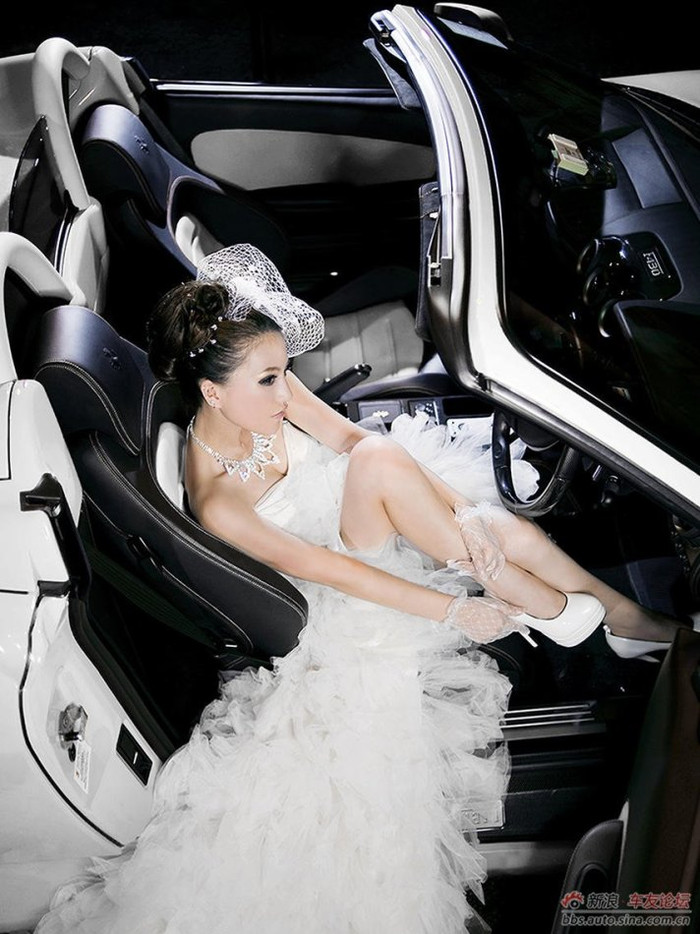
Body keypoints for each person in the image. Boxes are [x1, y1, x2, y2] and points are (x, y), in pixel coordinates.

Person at [34, 245, 686, 934]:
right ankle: (542, 601)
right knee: (396, 473)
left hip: (371, 510)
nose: (286, 393)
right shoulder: (219, 499)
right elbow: (328, 569)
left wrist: (464, 514)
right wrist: (454, 608)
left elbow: (349, 438)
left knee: (499, 527)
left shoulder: (267, 388)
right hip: (343, 588)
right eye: (269, 381)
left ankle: (624, 622)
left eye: (284, 373)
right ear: (213, 393)